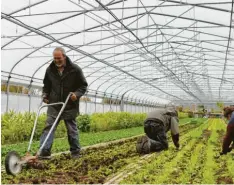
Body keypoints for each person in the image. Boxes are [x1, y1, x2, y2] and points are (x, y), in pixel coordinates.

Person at [39, 47, 88, 159]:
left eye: (59, 58)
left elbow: (83, 86)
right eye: (55, 58)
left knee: (71, 129)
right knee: (48, 127)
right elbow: (46, 86)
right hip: (54, 105)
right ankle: (44, 152)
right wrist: (45, 95)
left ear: (64, 57)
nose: (57, 61)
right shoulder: (50, 70)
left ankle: (75, 152)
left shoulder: (75, 69)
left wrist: (76, 94)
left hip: (69, 105)